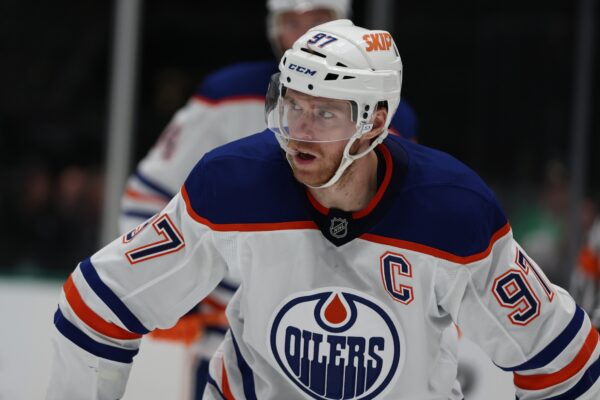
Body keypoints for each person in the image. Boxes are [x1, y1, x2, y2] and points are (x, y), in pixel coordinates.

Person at [47, 20, 599, 399]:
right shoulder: (232, 184)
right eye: (293, 104)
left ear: (376, 123)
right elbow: (96, 304)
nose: (299, 131)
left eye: (326, 113)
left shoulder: (455, 213)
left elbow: (562, 357)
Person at [119, 1, 418, 398]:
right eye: (291, 22)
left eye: (318, 22)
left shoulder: (385, 113)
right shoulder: (226, 95)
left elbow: (401, 223)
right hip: (225, 336)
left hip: (336, 346)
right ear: (273, 29)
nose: (303, 36)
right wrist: (177, 287)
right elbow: (147, 193)